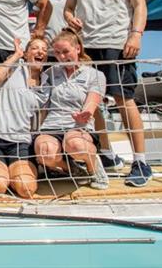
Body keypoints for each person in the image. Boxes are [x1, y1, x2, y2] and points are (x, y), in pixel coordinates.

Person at [64, 0, 151, 187]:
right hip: (88, 45)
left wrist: (136, 34)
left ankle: (140, 160)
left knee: (124, 98)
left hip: (117, 42)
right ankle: (106, 152)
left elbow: (139, 4)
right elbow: (69, 7)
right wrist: (70, 18)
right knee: (92, 101)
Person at [34, 29, 110, 190]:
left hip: (78, 125)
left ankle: (94, 167)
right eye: (57, 53)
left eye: (66, 51)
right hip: (52, 124)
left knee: (75, 144)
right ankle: (75, 170)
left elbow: (92, 101)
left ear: (78, 49)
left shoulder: (94, 74)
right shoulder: (50, 73)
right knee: (44, 150)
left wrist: (86, 113)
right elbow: (42, 102)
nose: (62, 57)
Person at [0, 37, 49, 199]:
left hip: (21, 142)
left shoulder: (47, 83)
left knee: (26, 189)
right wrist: (16, 55)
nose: (40, 52)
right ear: (26, 54)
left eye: (44, 50)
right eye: (35, 48)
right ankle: (0, 174)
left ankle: (10, 173)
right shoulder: (16, 67)